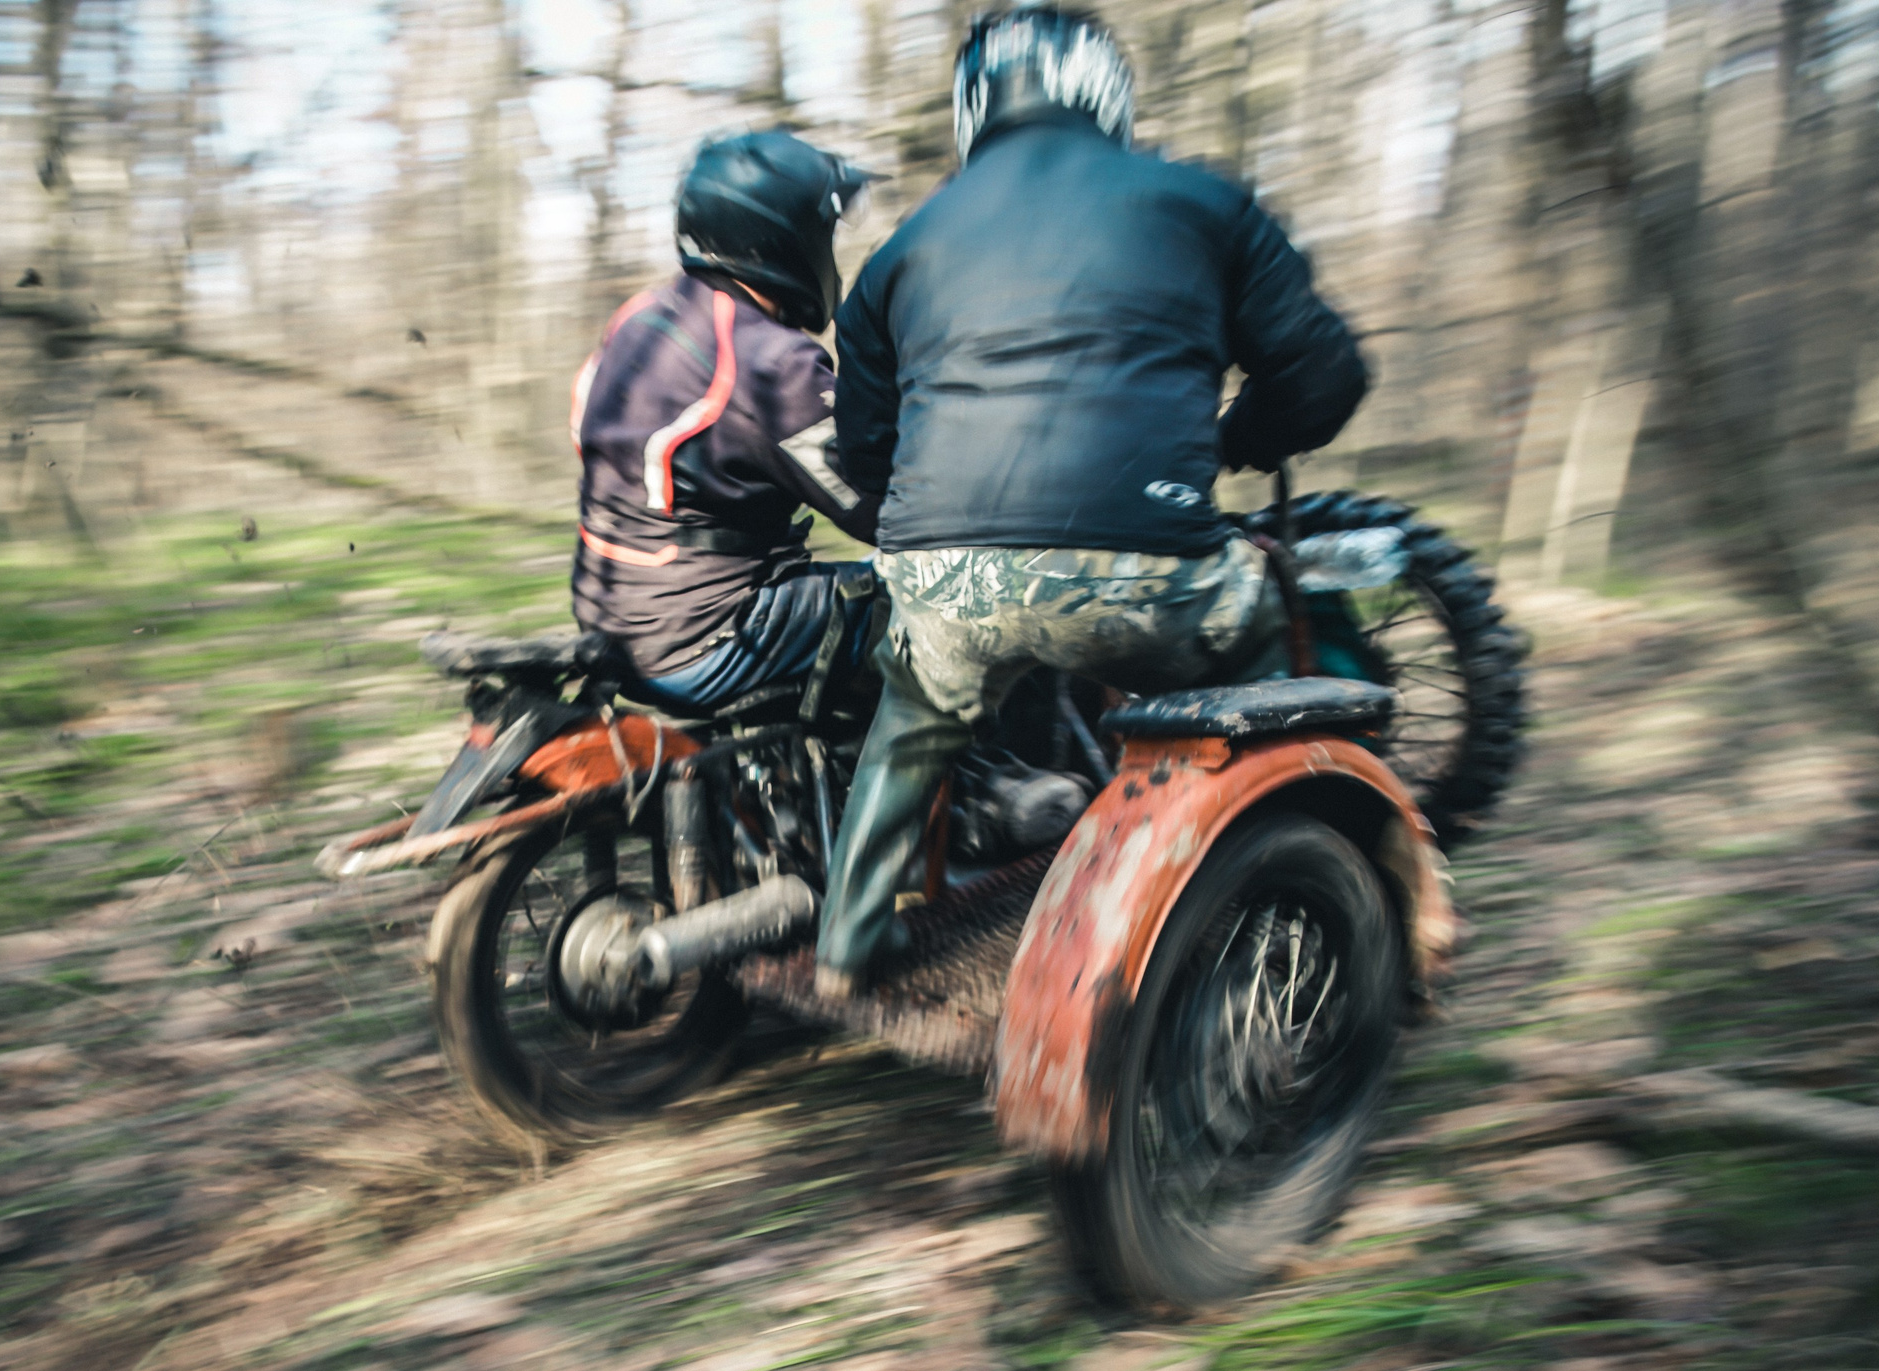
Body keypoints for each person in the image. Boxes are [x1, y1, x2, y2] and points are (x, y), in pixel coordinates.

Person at [814, 4, 1369, 998]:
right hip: (1148, 568)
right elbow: (1324, 377)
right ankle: (1258, 893)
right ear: (1105, 95)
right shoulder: (1204, 203)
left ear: (974, 108)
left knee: (914, 714)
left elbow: (861, 450)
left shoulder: (899, 251)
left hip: (948, 579)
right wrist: (1235, 441)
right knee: (1258, 652)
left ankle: (847, 945)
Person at [571, 130, 885, 711]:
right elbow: (883, 512)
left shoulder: (640, 318)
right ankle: (939, 768)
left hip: (612, 622)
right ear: (784, 237)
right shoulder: (767, 361)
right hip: (705, 636)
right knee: (941, 606)